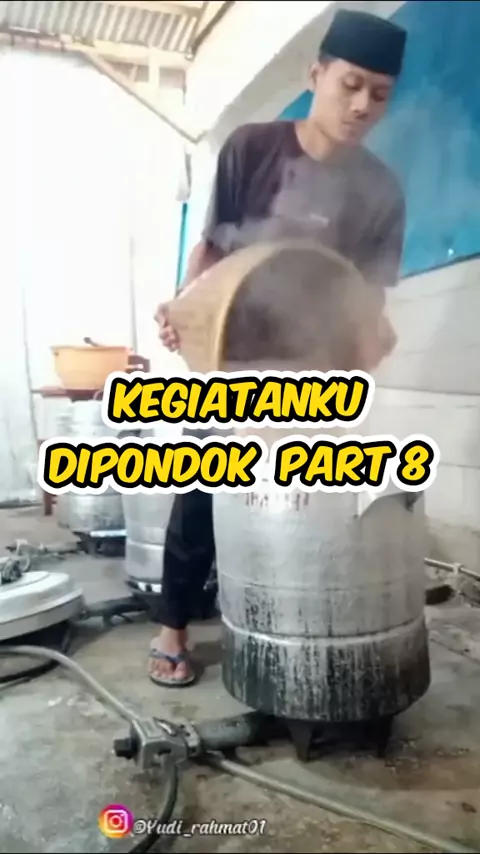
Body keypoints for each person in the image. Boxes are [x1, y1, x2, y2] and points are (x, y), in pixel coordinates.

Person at [149, 8, 408, 686]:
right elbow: (212, 248)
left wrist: (371, 334)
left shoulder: (381, 190)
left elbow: (367, 293)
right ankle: (173, 626)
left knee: (312, 497)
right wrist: (184, 308)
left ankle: (301, 620)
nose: (362, 105)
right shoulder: (252, 148)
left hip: (315, 360)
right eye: (350, 84)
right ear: (315, 74)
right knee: (203, 487)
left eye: (380, 94)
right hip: (232, 348)